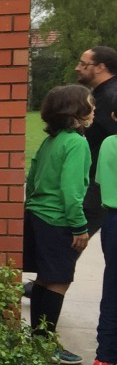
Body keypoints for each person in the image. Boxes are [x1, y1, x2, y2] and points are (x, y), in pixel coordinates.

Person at [25, 84, 94, 365]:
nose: (93, 108)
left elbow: (31, 178)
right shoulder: (76, 142)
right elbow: (71, 190)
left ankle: (38, 342)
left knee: (45, 278)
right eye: (89, 103)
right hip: (58, 221)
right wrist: (79, 227)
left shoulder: (50, 141)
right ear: (76, 110)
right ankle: (45, 346)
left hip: (37, 215)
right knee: (60, 281)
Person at [74, 46, 117, 235]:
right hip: (99, 181)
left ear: (100, 67)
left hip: (100, 185)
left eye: (83, 64)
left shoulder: (109, 97)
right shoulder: (102, 94)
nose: (77, 68)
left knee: (71, 240)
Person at [90, 107, 117, 365]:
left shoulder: (109, 143)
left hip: (112, 220)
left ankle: (104, 359)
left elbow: (100, 180)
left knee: (112, 288)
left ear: (113, 116)